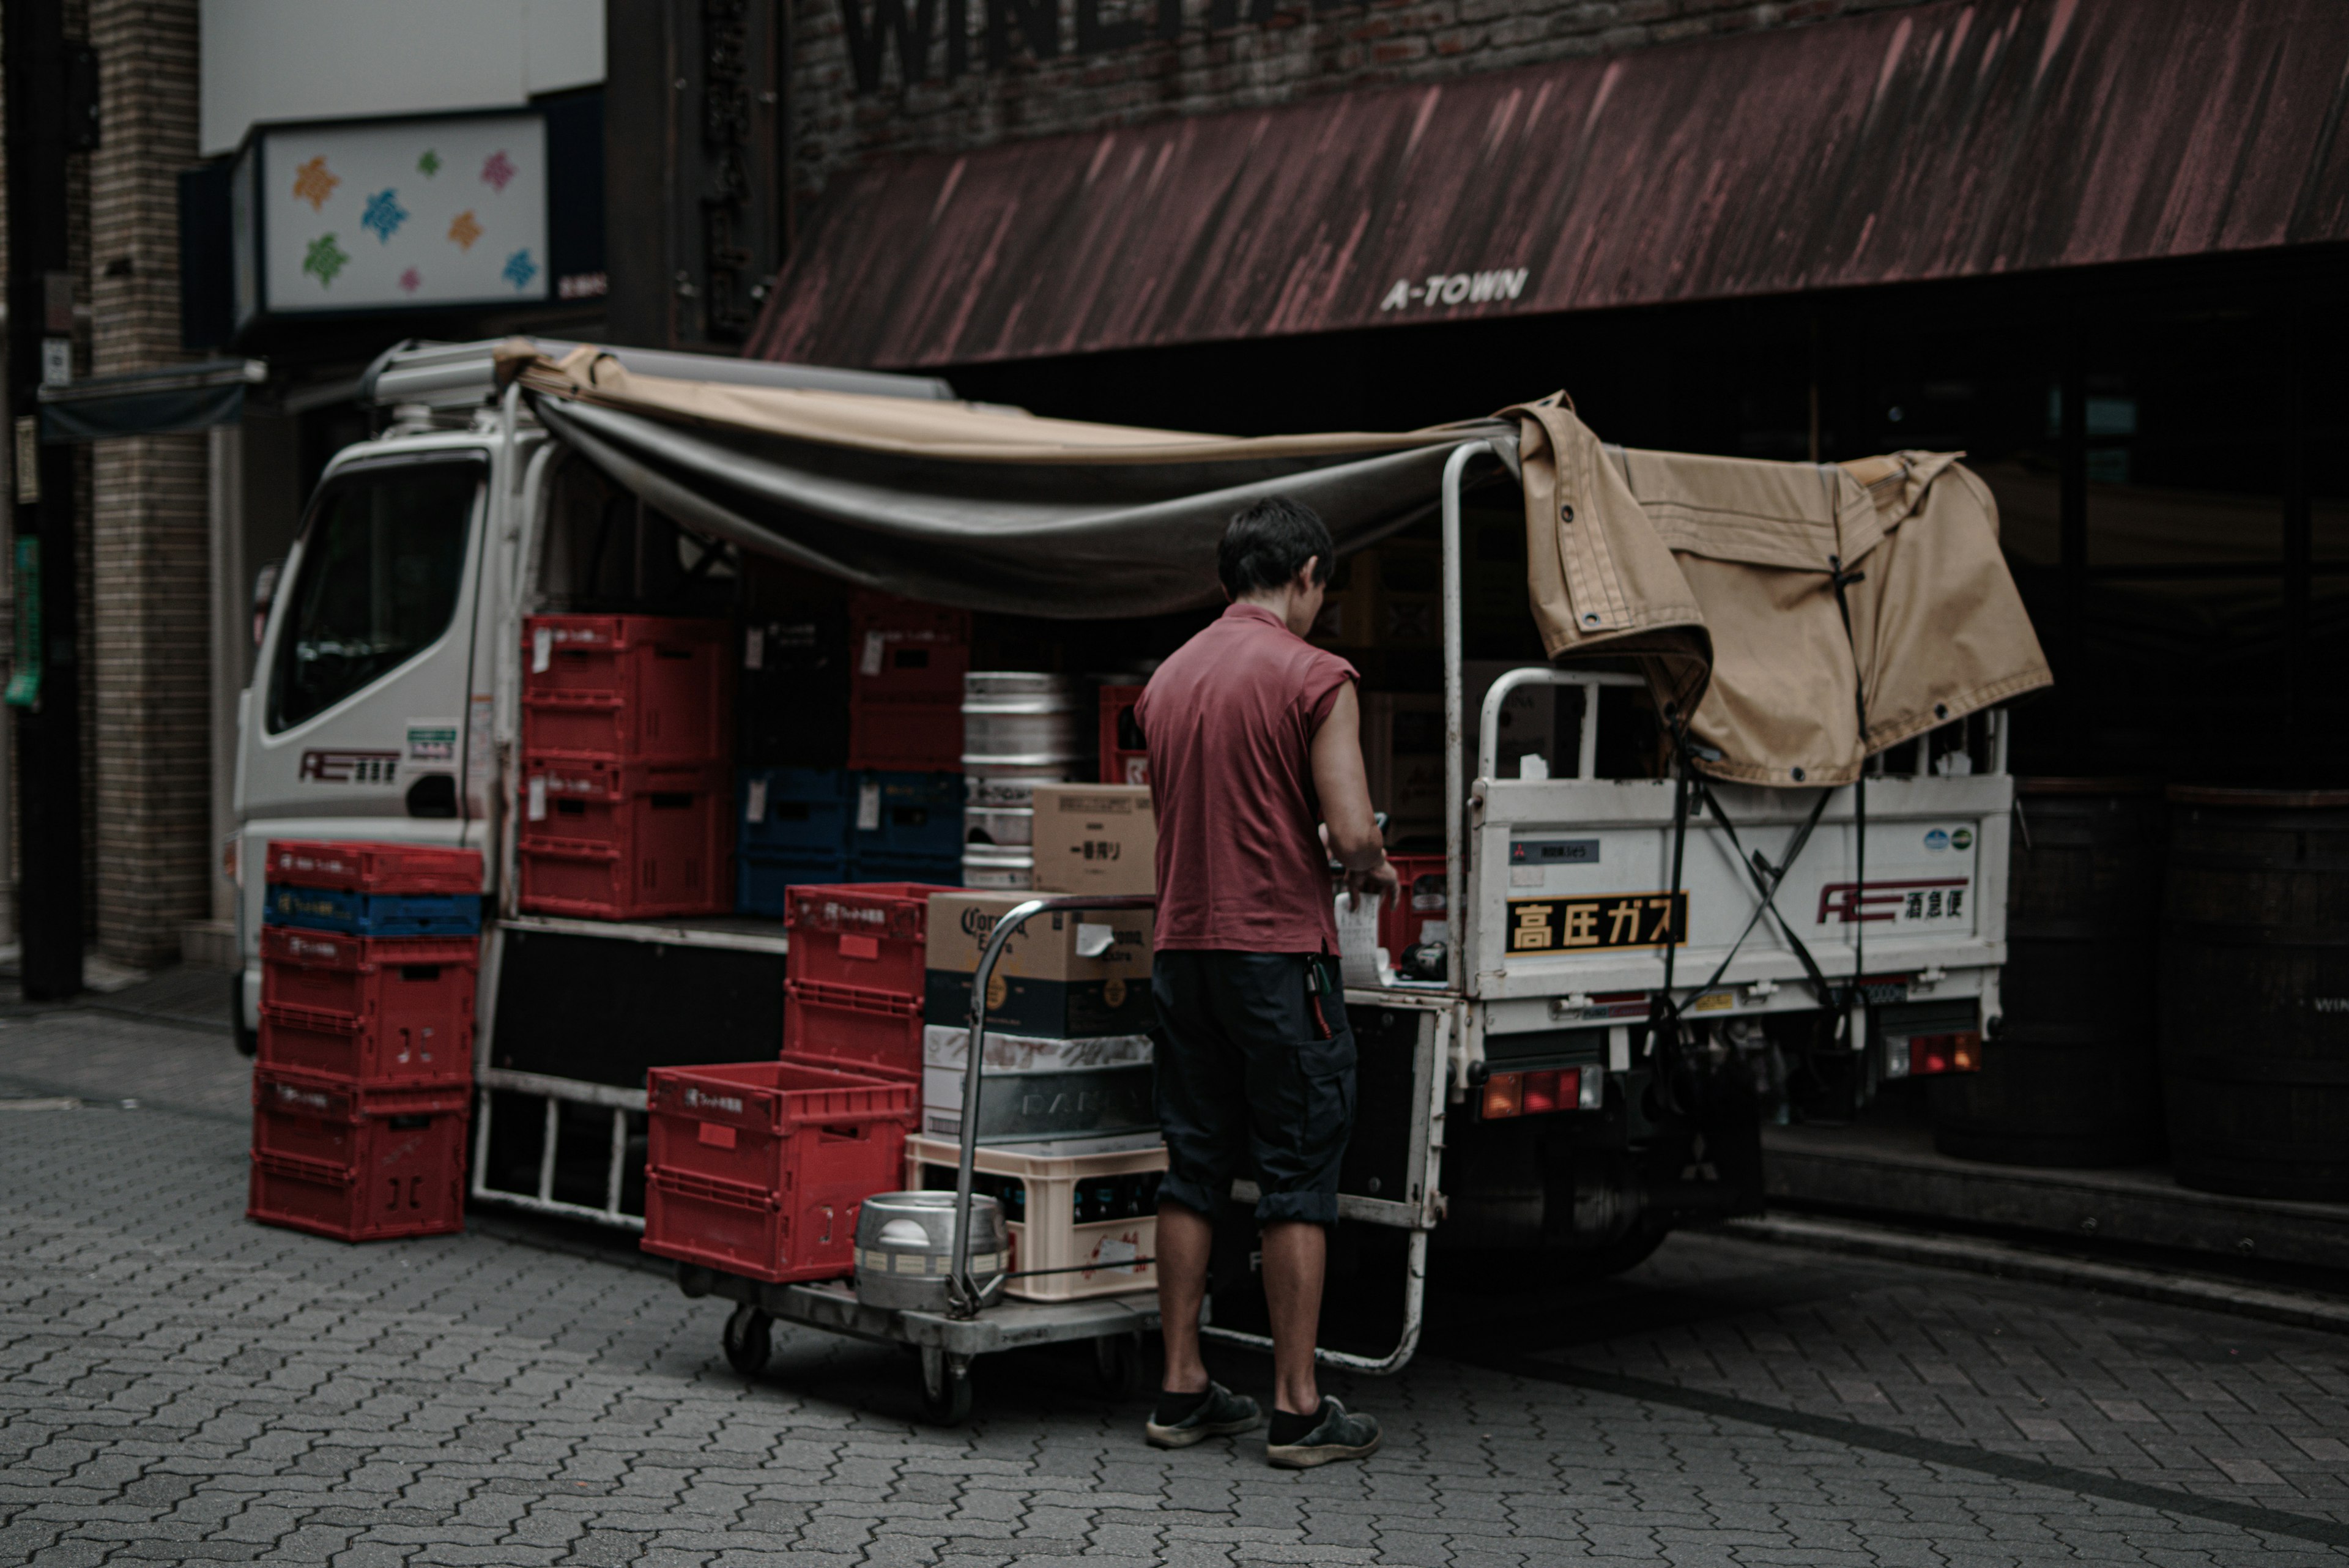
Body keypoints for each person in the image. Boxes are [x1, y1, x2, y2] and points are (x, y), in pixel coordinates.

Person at [1132, 495, 1400, 1469]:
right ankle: (1296, 1407)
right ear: (1307, 577)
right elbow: (1354, 829)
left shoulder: (1167, 678)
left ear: (1226, 577)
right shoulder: (1314, 674)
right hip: (1278, 957)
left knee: (1193, 1164)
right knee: (1297, 1173)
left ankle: (1182, 1387)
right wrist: (1370, 864)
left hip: (1182, 951)